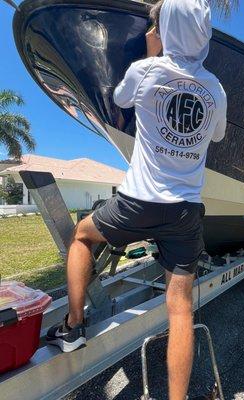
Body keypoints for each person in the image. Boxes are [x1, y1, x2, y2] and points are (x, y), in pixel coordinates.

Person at [46, 0, 227, 398]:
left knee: (81, 235)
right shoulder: (215, 89)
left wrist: (151, 54)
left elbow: (122, 101)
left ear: (165, 29)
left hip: (137, 204)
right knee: (179, 306)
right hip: (184, 212)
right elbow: (216, 136)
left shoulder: (146, 71)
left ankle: (73, 327)